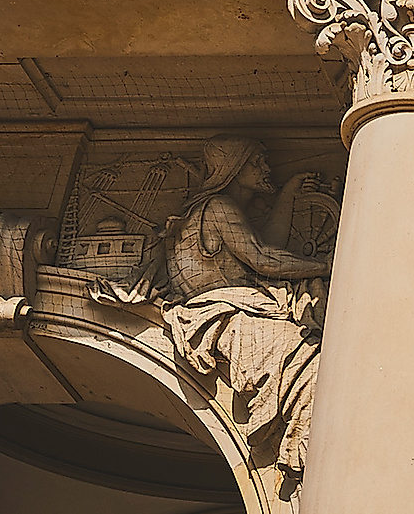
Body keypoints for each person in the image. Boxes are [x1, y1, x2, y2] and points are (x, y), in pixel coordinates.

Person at [94, 135, 332, 480]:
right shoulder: (219, 207)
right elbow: (262, 259)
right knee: (307, 356)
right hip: (224, 313)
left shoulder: (214, 210)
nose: (265, 168)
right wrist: (326, 266)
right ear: (233, 168)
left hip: (232, 306)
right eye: (256, 162)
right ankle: (304, 444)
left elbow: (265, 246)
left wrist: (289, 193)